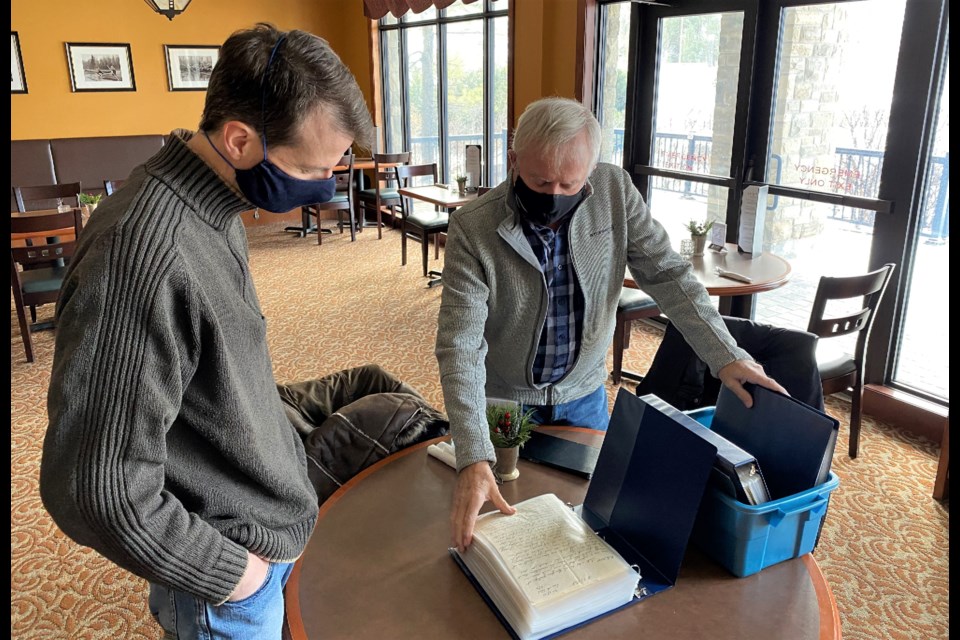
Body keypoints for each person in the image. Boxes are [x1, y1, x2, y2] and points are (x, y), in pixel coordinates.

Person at [39, 23, 373, 639]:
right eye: (313, 169)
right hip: (228, 584)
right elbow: (94, 488)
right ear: (240, 140)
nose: (326, 185)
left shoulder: (212, 208)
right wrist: (235, 575)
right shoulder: (142, 254)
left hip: (254, 524)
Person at [435, 97, 788, 553]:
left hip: (583, 394)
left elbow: (669, 275)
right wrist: (472, 453)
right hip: (503, 402)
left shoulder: (615, 193)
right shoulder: (473, 227)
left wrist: (726, 355)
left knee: (591, 526)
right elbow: (460, 346)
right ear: (513, 160)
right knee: (502, 525)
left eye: (570, 183)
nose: (554, 195)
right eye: (541, 180)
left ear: (592, 169)